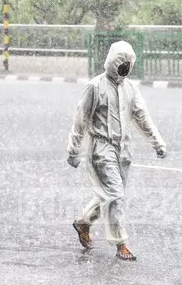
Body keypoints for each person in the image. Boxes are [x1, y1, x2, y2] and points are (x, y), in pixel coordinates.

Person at [66, 40, 167, 261]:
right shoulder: (95, 87)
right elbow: (80, 119)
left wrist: (157, 142)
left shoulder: (130, 88)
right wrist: (73, 150)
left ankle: (83, 222)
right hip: (101, 147)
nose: (126, 67)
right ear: (112, 62)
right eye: (123, 62)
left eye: (130, 63)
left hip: (123, 148)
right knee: (115, 195)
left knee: (110, 194)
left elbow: (142, 117)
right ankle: (120, 243)